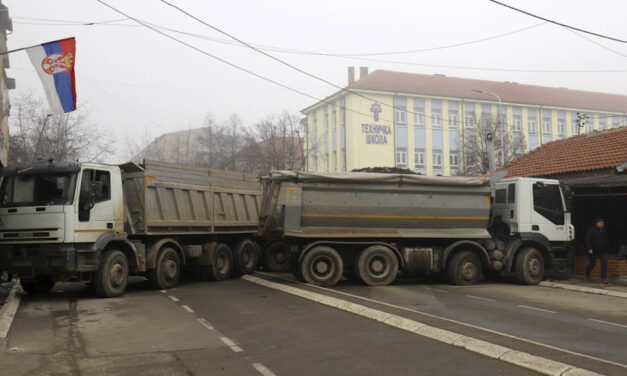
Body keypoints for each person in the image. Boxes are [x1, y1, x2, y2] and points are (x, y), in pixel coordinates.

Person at [585, 218, 610, 284]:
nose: (602, 224)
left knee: (604, 262)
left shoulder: (604, 230)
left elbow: (606, 239)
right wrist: (589, 248)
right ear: (597, 223)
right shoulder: (592, 230)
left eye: (603, 223)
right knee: (592, 264)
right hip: (594, 251)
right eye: (601, 223)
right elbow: (587, 239)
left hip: (603, 251)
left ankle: (603, 278)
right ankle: (587, 272)